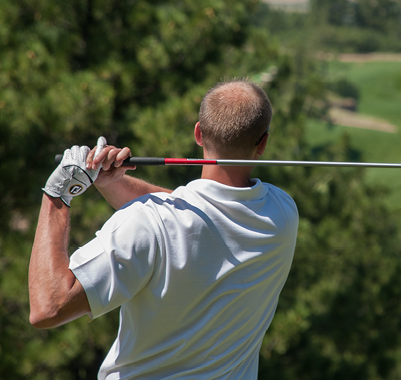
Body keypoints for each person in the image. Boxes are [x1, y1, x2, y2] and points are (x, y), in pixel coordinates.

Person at [28, 80, 299, 379]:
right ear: (263, 144)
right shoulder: (283, 213)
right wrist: (113, 183)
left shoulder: (148, 222)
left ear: (198, 133)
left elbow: (48, 307)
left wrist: (57, 194)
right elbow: (195, 210)